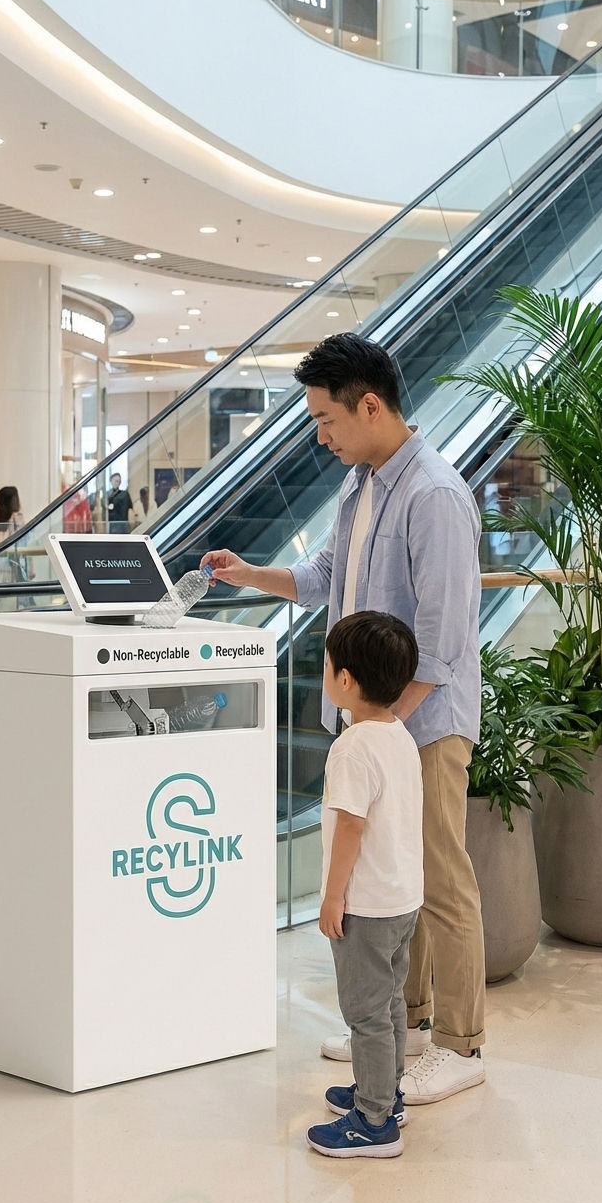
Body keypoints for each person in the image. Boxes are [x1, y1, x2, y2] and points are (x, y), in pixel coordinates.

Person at [201, 333, 485, 1105]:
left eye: (326, 420)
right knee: (393, 879)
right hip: (375, 724)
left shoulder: (434, 494)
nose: (319, 436)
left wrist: (386, 729)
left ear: (370, 405)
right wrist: (246, 571)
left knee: (440, 877)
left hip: (424, 724)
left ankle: (461, 1043)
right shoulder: (362, 485)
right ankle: (407, 1023)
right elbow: (326, 576)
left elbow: (447, 639)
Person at [305, 611, 422, 1159]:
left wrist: (332, 897)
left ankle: (374, 1122)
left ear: (346, 680)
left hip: (367, 907)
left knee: (366, 1013)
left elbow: (350, 826)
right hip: (402, 899)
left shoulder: (351, 748)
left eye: (327, 665)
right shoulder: (398, 734)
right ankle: (386, 1093)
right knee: (390, 1002)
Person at [0, 485, 31, 611]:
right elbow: (24, 544)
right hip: (12, 568)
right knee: (11, 607)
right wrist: (30, 569)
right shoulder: (17, 518)